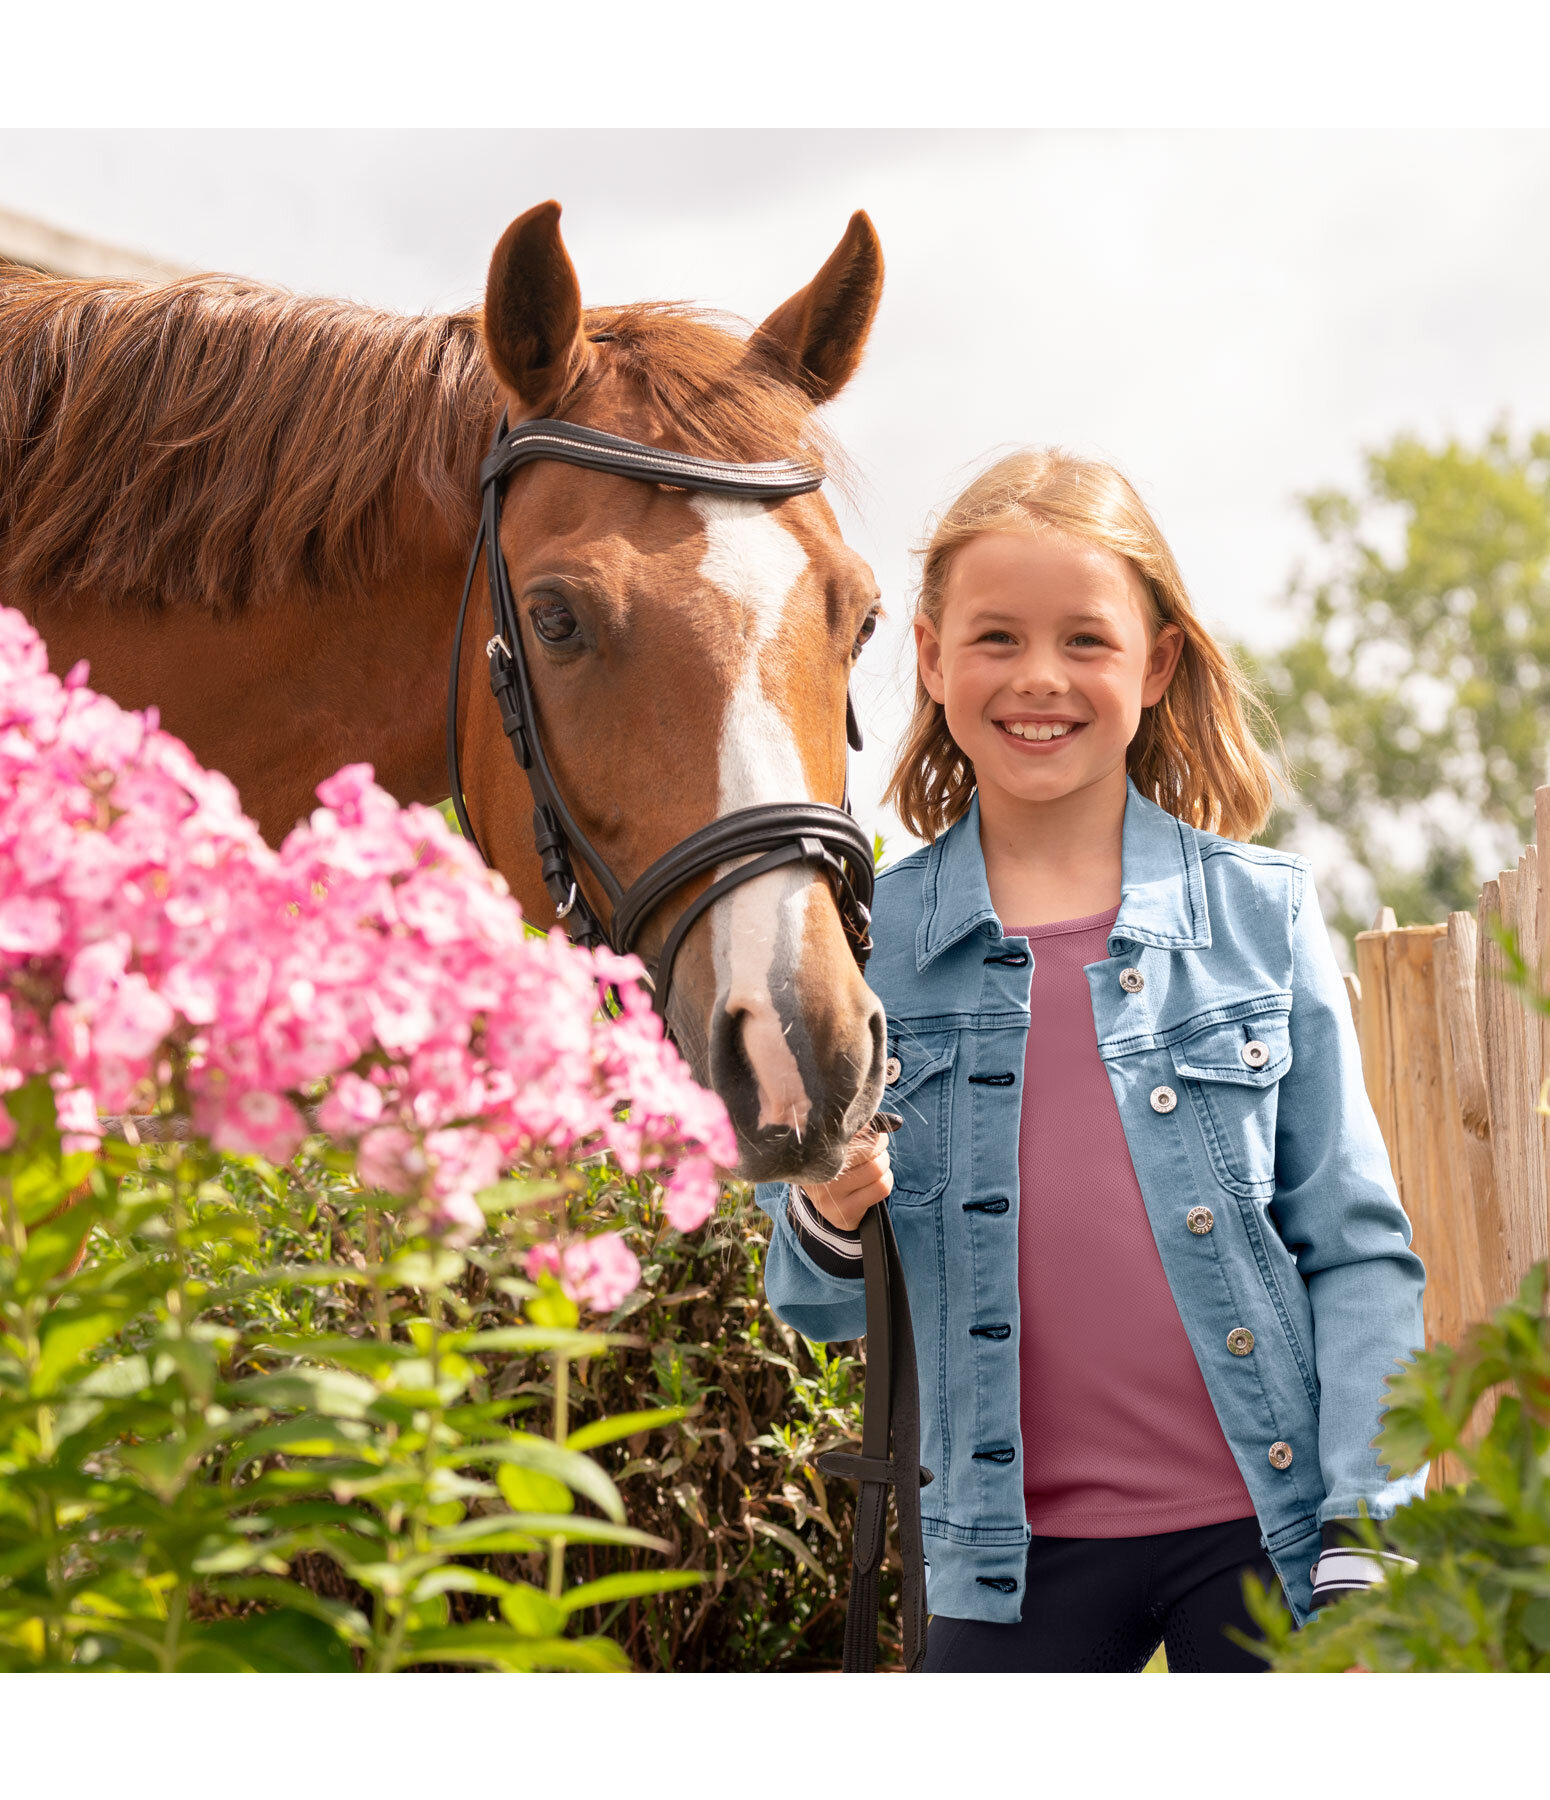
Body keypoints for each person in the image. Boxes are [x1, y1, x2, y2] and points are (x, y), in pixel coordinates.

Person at [754, 449, 1425, 1673]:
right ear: (930, 653)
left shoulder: (1260, 913)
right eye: (996, 638)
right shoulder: (860, 949)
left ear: (1156, 661)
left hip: (1266, 1533)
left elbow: (1354, 1245)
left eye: (1085, 641)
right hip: (1000, 1557)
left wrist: (1362, 1516)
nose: (1039, 679)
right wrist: (827, 1212)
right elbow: (808, 1301)